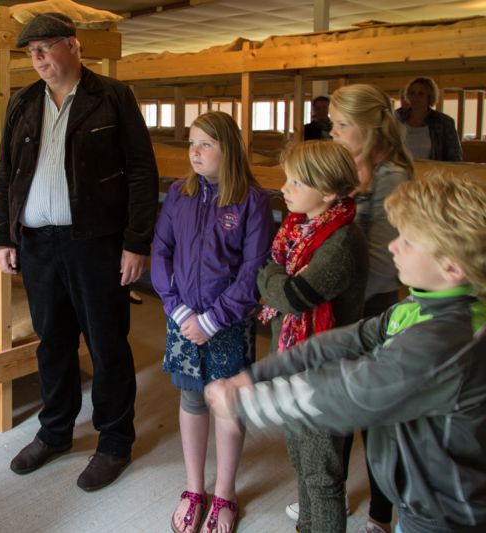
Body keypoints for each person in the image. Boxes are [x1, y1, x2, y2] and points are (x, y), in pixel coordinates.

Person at [205, 171, 486, 533]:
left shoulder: (444, 343)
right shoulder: (420, 308)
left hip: (446, 518)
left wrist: (245, 402)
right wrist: (257, 375)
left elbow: (348, 395)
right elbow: (345, 340)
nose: (393, 246)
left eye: (409, 241)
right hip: (422, 508)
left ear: (451, 267)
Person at [0, 13, 159, 492]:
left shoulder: (111, 96)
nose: (38, 59)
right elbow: (6, 174)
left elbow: (142, 172)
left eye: (45, 48)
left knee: (106, 343)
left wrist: (135, 242)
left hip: (96, 242)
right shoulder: (23, 101)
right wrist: (4, 236)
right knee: (54, 342)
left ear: (73, 45)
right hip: (38, 244)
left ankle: (113, 440)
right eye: (31, 53)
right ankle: (56, 431)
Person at [152, 111, 273, 533]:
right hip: (183, 319)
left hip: (228, 322)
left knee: (226, 404)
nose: (194, 152)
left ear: (229, 149)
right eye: (191, 143)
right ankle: (193, 487)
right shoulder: (178, 194)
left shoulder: (252, 201)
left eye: (205, 143)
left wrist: (215, 318)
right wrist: (179, 309)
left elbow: (253, 272)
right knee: (191, 400)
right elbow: (160, 253)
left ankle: (225, 492)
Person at [258, 141, 368, 533]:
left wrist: (274, 279)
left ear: (328, 192)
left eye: (296, 182)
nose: (284, 188)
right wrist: (274, 276)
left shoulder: (341, 242)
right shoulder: (297, 228)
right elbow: (269, 268)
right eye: (286, 179)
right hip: (296, 363)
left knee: (322, 473)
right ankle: (306, 525)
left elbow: (292, 296)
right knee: (301, 459)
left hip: (325, 372)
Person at [327, 83, 415, 533]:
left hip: (374, 308)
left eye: (342, 125)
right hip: (339, 306)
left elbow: (385, 266)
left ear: (369, 126)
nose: (335, 133)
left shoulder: (392, 178)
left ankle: (381, 515)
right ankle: (335, 493)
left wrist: (323, 282)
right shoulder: (342, 170)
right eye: (333, 125)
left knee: (377, 418)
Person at [395, 77, 462, 161]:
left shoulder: (443, 123)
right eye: (412, 93)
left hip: (432, 172)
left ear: (430, 97)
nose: (416, 97)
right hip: (400, 171)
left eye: (421, 93)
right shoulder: (396, 118)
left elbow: (455, 158)